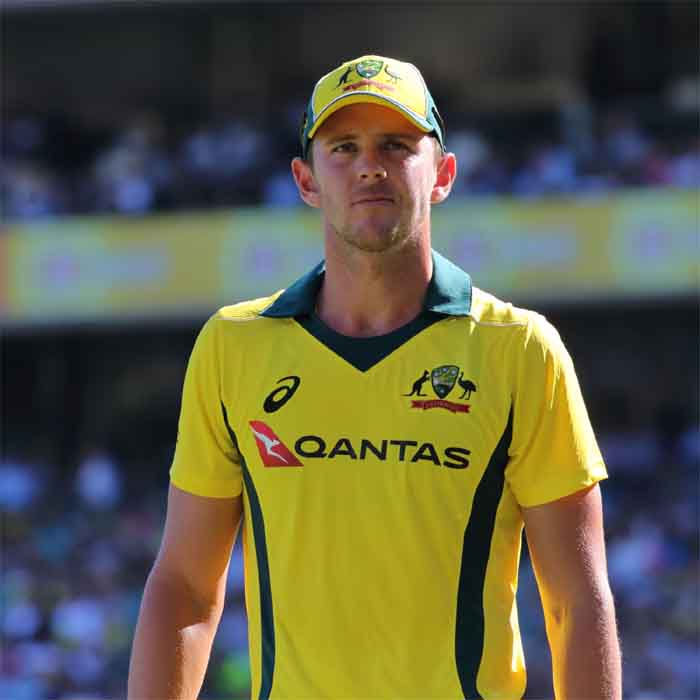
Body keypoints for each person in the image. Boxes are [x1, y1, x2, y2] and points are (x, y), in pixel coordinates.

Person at [128, 55, 622, 699]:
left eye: (396, 144)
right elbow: (186, 589)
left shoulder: (520, 349)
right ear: (306, 180)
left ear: (442, 174)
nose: (369, 166)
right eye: (343, 147)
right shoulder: (233, 345)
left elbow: (577, 600)